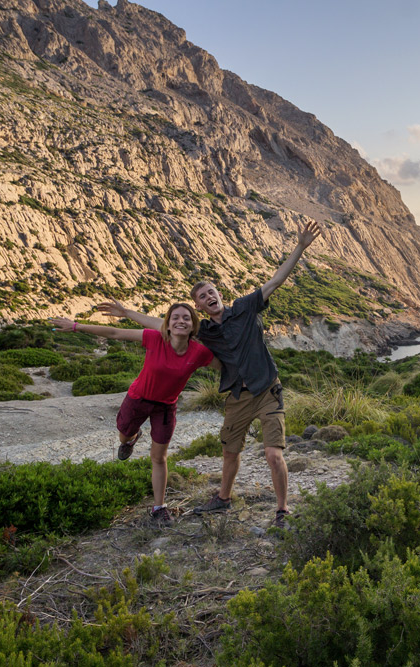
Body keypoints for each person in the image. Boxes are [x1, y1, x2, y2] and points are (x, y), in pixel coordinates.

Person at [96, 219, 322, 529]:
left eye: (211, 292)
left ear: (219, 293)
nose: (209, 297)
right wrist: (126, 313)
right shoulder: (204, 332)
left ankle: (282, 510)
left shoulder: (245, 307)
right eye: (202, 297)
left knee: (273, 454)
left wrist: (300, 247)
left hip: (267, 390)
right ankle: (223, 499)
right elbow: (159, 324)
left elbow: (275, 281)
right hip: (238, 397)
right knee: (230, 452)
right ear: (200, 307)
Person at [48, 303, 219, 526]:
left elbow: (224, 367)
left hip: (166, 407)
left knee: (159, 457)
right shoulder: (154, 338)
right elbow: (114, 332)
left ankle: (159, 508)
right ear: (167, 324)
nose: (181, 321)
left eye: (186, 318)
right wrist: (75, 327)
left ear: (193, 325)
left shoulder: (199, 352)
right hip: (138, 399)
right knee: (123, 435)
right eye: (175, 317)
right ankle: (132, 438)